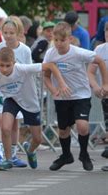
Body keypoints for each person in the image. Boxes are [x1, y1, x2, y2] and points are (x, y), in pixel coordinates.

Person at [0, 47, 70, 170]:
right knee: (5, 128)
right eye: (1, 65)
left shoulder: (23, 69)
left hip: (30, 102)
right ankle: (8, 159)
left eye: (8, 66)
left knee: (37, 139)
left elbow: (51, 66)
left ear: (14, 63)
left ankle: (30, 150)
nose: (4, 69)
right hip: (12, 100)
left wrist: (61, 83)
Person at [43, 22, 108, 171]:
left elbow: (100, 62)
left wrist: (104, 84)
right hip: (62, 97)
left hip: (80, 94)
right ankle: (66, 156)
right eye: (56, 40)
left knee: (82, 125)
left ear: (70, 39)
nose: (59, 44)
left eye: (62, 40)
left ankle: (84, 154)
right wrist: (53, 90)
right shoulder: (50, 54)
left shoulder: (78, 52)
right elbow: (46, 76)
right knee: (63, 130)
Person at [0, 18, 32, 167]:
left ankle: (13, 154)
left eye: (11, 33)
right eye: (5, 32)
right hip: (2, 91)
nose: (7, 36)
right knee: (2, 122)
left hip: (19, 92)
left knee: (15, 124)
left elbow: (28, 71)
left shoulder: (25, 50)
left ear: (18, 32)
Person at [88, 21, 108, 160]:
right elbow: (90, 72)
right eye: (107, 32)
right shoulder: (99, 49)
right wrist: (95, 86)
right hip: (105, 95)